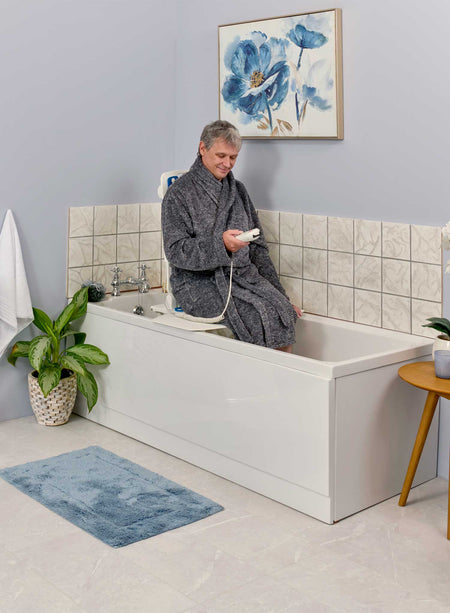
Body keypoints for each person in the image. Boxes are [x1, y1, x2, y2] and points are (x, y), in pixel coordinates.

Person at [161, 120, 302, 352]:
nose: (227, 164)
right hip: (199, 283)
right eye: (221, 156)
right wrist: (222, 246)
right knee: (257, 314)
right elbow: (175, 251)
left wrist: (280, 297)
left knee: (283, 312)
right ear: (202, 148)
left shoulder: (238, 190)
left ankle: (273, 375)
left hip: (244, 277)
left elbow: (258, 249)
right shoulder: (179, 194)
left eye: (233, 157)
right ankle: (260, 373)